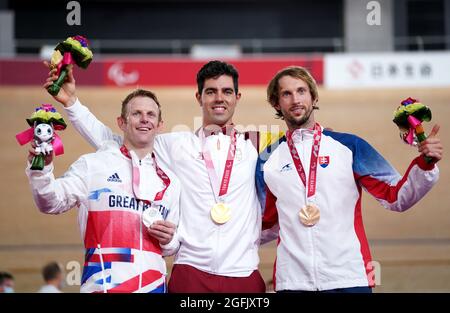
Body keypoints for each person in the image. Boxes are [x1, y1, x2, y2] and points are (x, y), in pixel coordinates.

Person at [43, 60, 267, 293]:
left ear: (237, 97)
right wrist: (72, 103)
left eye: (227, 91)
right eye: (211, 92)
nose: (219, 98)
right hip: (191, 271)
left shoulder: (258, 145)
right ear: (199, 97)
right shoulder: (175, 144)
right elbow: (114, 142)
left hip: (244, 273)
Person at [258, 66, 442, 292]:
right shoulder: (267, 159)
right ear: (276, 103)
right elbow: (263, 223)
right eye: (286, 94)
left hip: (350, 278)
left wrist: (425, 164)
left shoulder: (350, 146)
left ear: (313, 97)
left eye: (301, 91)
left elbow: (395, 197)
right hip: (293, 281)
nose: (295, 99)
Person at [26, 88, 181, 293]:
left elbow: (172, 247)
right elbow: (50, 203)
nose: (145, 119)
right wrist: (42, 170)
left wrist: (170, 239)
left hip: (154, 289)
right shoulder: (92, 165)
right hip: (102, 288)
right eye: (136, 113)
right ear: (121, 123)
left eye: (151, 114)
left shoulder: (171, 182)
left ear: (160, 125)